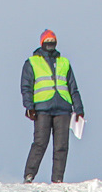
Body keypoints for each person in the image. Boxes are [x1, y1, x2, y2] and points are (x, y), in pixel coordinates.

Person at [21, 30, 84, 183]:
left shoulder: (64, 62)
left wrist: (79, 109)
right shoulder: (32, 62)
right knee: (40, 143)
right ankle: (29, 176)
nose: (50, 42)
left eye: (53, 40)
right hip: (42, 109)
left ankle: (57, 180)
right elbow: (26, 87)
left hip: (63, 108)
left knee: (61, 146)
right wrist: (29, 106)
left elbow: (73, 88)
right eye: (47, 40)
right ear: (42, 42)